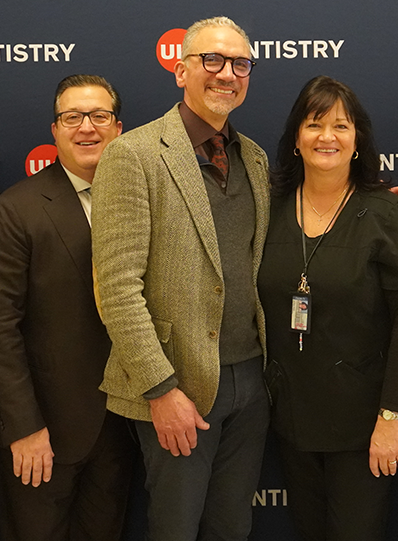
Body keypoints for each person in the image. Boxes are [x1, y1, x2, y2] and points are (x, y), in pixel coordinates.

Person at [91, 16, 270, 541]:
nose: (227, 74)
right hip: (176, 385)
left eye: (240, 64)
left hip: (252, 381)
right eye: (211, 60)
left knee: (232, 526)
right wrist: (160, 388)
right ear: (180, 70)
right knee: (175, 529)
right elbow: (116, 287)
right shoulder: (133, 155)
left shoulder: (254, 158)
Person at [258, 75, 398, 541]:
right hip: (291, 416)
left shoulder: (385, 212)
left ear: (358, 141)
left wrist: (390, 418)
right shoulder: (267, 206)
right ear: (296, 138)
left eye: (341, 126)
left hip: (364, 425)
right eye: (314, 125)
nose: (327, 137)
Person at [0, 74, 136, 541]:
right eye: (73, 117)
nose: (88, 127)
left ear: (118, 128)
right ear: (55, 130)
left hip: (122, 428)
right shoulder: (14, 212)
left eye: (100, 116)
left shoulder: (141, 204)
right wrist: (24, 426)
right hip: (43, 433)